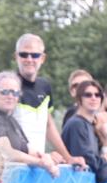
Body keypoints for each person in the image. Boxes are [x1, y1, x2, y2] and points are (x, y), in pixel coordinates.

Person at [12, 33, 84, 167]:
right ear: (16, 56)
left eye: (35, 55)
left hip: (39, 165)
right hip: (15, 165)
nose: (29, 59)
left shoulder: (44, 86)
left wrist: (68, 157)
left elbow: (49, 125)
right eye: (23, 54)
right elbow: (2, 132)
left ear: (43, 58)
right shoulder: (8, 85)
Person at [0, 71, 59, 177]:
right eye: (4, 92)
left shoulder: (11, 120)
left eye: (15, 93)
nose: (10, 96)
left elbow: (29, 150)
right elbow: (7, 153)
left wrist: (46, 157)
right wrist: (40, 163)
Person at [59, 79, 107, 183]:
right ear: (79, 99)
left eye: (97, 95)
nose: (93, 98)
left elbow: (103, 165)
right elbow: (87, 158)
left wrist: (105, 138)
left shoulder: (91, 125)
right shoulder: (77, 124)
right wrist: (104, 161)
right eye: (88, 95)